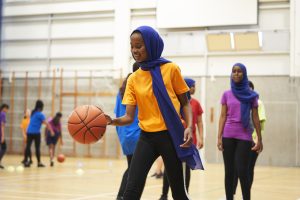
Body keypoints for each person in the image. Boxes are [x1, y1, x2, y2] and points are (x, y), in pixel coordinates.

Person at [105, 26, 203, 200]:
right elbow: (128, 117)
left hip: (170, 136)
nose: (135, 50)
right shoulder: (134, 79)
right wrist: (111, 120)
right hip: (147, 138)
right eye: (132, 46)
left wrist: (188, 126)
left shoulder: (171, 69)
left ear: (151, 45)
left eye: (139, 46)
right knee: (131, 190)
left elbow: (185, 103)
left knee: (179, 193)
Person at [217, 63, 263, 200]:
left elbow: (255, 117)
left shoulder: (252, 95)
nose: (236, 73)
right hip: (228, 135)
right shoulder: (226, 94)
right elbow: (223, 116)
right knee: (229, 171)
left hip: (244, 136)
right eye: (234, 71)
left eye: (239, 71)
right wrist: (219, 137)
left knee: (243, 171)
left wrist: (259, 139)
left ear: (244, 74)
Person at [159, 78, 204, 200]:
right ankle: (164, 194)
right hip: (175, 137)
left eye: (195, 86)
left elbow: (199, 122)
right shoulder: (175, 101)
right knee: (171, 166)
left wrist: (201, 137)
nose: (194, 88)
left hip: (190, 138)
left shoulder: (196, 103)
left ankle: (185, 193)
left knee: (187, 167)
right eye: (192, 86)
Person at [233, 80, 267, 196]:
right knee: (236, 168)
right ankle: (231, 193)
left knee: (249, 168)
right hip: (238, 140)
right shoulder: (236, 101)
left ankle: (245, 194)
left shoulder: (258, 102)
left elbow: (260, 122)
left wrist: (258, 139)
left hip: (252, 140)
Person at [115, 62, 140, 200]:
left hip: (124, 134)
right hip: (138, 134)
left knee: (131, 167)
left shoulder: (120, 92)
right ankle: (122, 195)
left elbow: (117, 113)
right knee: (134, 169)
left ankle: (122, 195)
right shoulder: (138, 88)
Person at [23, 100, 54, 167]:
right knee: (37, 148)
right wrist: (51, 131)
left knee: (28, 146)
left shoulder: (33, 113)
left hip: (29, 132)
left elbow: (38, 121)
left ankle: (26, 161)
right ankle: (39, 163)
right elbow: (47, 124)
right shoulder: (40, 114)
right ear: (41, 107)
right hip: (36, 133)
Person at [0, 104, 9, 169]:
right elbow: (2, 125)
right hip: (0, 133)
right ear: (4, 108)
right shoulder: (3, 114)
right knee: (4, 148)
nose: (7, 110)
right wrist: (3, 136)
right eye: (7, 109)